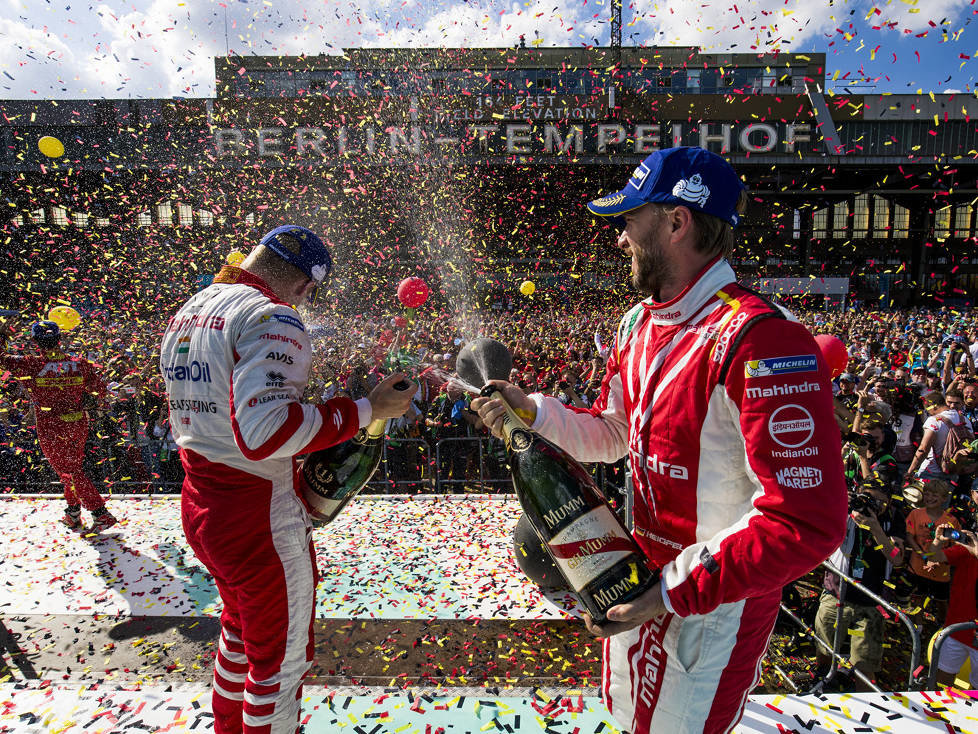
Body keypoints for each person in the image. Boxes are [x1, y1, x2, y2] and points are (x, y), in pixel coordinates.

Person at [473, 147, 848, 733]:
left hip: (710, 605)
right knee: (628, 719)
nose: (620, 238)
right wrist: (535, 413)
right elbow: (614, 434)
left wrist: (670, 593)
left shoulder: (764, 339)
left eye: (629, 219)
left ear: (677, 221)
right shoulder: (638, 322)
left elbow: (806, 523)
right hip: (638, 579)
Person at [160, 224, 414, 734]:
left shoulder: (195, 305)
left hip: (202, 502)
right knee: (278, 663)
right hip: (256, 514)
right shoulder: (272, 315)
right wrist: (367, 409)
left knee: (238, 634)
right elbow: (265, 432)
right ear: (305, 286)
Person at [0, 318, 116, 531]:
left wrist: (2, 335)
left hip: (51, 426)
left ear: (35, 341)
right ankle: (73, 513)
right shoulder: (80, 363)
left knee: (70, 471)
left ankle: (100, 513)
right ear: (59, 339)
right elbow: (100, 390)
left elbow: (1, 358)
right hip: (78, 423)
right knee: (71, 469)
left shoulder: (30, 364)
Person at [815, 477, 906, 690]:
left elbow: (897, 558)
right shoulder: (845, 509)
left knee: (864, 662)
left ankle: (866, 700)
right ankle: (823, 681)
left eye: (879, 502)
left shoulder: (893, 518)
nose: (871, 506)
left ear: (889, 502)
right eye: (868, 499)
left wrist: (875, 528)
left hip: (870, 600)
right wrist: (840, 503)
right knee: (824, 646)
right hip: (835, 592)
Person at [926, 522, 978, 688]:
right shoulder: (966, 549)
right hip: (957, 629)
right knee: (939, 683)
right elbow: (932, 556)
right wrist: (937, 541)